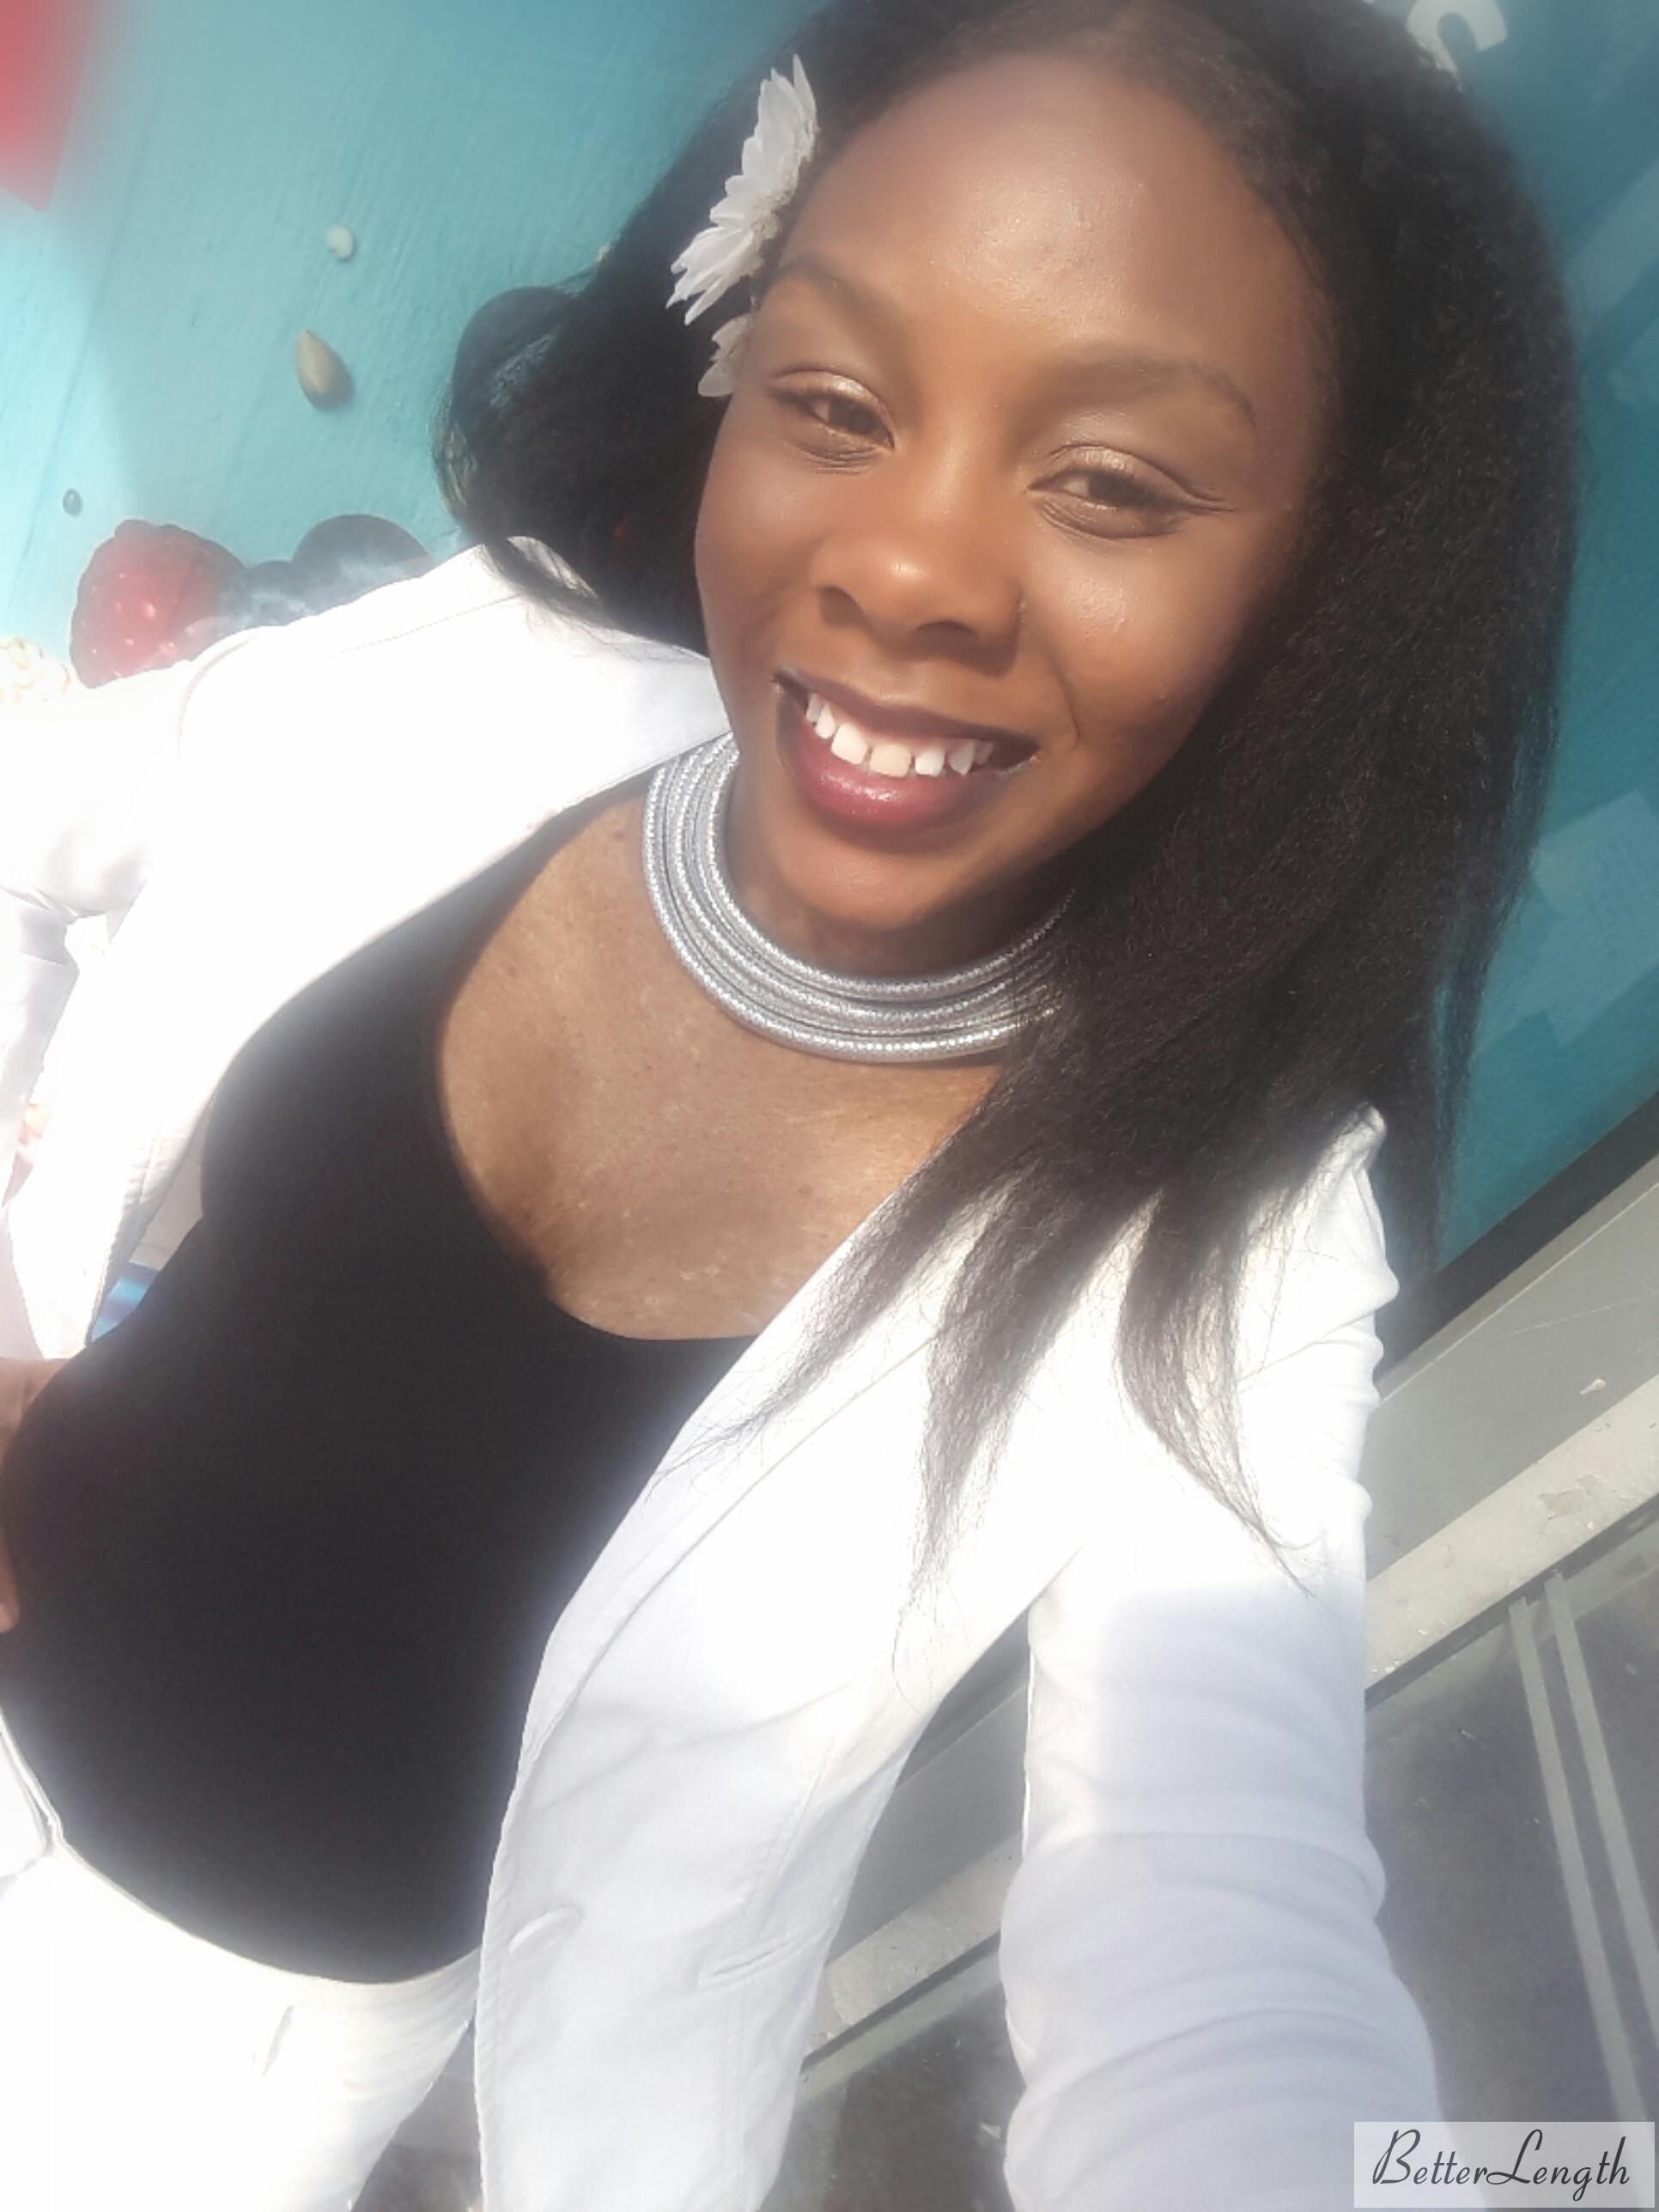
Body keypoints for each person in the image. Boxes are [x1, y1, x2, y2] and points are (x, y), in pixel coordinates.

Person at [0, 1, 1577, 2208]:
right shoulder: (487, 678)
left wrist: (1482, 2179)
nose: (907, 565)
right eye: (836, 402)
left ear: (1326, 583)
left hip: (203, 2083)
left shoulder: (1220, 1244)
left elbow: (1222, 1968)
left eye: (1112, 484)